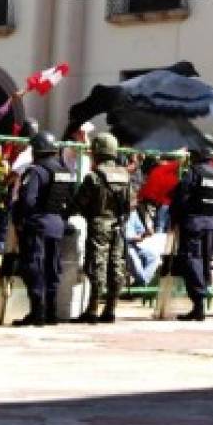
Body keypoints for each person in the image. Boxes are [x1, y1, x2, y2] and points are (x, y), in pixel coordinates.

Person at [12, 130, 76, 326]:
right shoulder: (64, 171)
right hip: (56, 225)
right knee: (52, 268)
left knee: (34, 268)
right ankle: (51, 312)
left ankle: (37, 313)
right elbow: (70, 198)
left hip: (37, 224)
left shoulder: (35, 171)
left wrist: (18, 216)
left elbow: (28, 200)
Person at [74, 133, 133, 324]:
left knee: (97, 266)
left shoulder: (94, 177)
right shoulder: (124, 175)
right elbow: (130, 203)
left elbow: (79, 203)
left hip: (99, 224)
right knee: (117, 265)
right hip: (118, 225)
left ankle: (92, 310)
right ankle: (111, 308)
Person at [170, 145, 213, 322]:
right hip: (212, 224)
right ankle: (199, 304)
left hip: (193, 223)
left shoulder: (193, 173)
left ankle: (198, 305)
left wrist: (176, 218)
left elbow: (181, 197)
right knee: (205, 261)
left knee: (192, 260)